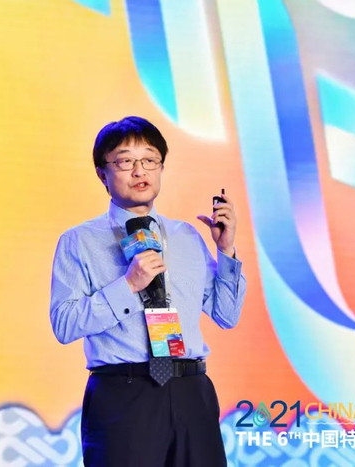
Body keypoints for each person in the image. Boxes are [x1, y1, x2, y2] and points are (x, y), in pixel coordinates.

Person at [50, 116, 246, 466]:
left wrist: (226, 251)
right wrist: (128, 286)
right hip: (124, 395)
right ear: (102, 174)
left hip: (191, 392)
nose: (139, 170)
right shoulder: (79, 241)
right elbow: (64, 325)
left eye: (150, 160)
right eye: (125, 161)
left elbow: (226, 315)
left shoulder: (186, 236)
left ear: (161, 167)